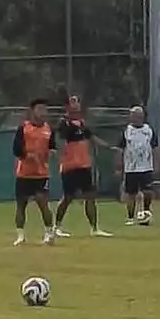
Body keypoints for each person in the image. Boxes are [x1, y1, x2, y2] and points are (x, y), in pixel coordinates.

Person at [52, 95, 113, 238]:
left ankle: (95, 228)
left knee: (90, 196)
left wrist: (108, 146)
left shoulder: (82, 123)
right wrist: (60, 156)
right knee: (67, 197)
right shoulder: (64, 123)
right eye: (72, 102)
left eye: (77, 102)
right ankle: (56, 227)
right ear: (67, 106)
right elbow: (58, 142)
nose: (76, 105)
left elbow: (91, 137)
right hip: (69, 166)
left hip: (84, 165)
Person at [12, 98, 56, 246]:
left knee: (43, 203)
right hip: (24, 173)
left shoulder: (48, 129)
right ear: (32, 111)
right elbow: (16, 149)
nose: (43, 112)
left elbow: (52, 147)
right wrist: (27, 155)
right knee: (21, 205)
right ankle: (20, 235)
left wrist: (52, 153)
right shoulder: (23, 128)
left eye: (45, 109)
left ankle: (49, 233)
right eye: (40, 109)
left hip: (41, 174)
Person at [120, 106, 157, 226]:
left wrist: (158, 163)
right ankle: (130, 217)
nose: (135, 117)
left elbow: (155, 148)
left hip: (146, 167)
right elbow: (120, 148)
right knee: (131, 194)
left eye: (138, 115)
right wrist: (118, 165)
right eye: (133, 115)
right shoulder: (126, 130)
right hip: (131, 168)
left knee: (147, 192)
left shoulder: (149, 130)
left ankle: (146, 214)